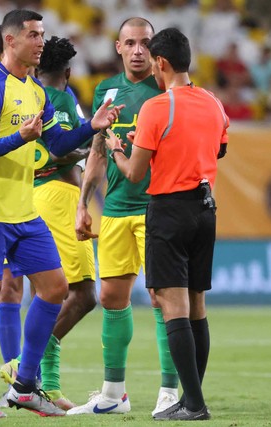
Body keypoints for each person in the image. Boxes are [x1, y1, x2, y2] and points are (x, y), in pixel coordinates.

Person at [0, 9, 120, 419]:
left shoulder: (37, 92)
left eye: (43, 34)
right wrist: (19, 137)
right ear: (10, 40)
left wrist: (92, 127)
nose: (41, 41)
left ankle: (25, 385)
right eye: (33, 34)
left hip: (23, 208)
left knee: (55, 288)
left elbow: (59, 143)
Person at [103, 27, 229, 421]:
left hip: (169, 210)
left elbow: (136, 174)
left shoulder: (158, 107)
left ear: (161, 63)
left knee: (170, 305)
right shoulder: (213, 102)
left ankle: (193, 403)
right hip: (205, 209)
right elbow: (220, 148)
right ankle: (191, 397)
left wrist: (116, 150)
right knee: (196, 306)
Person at [69, 17, 179, 417]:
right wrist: (84, 202)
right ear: (117, 47)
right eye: (130, 43)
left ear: (156, 49)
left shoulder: (168, 88)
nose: (138, 50)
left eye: (145, 43)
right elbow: (98, 150)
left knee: (163, 297)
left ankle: (170, 390)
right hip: (115, 208)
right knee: (111, 297)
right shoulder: (106, 90)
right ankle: (114, 394)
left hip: (157, 208)